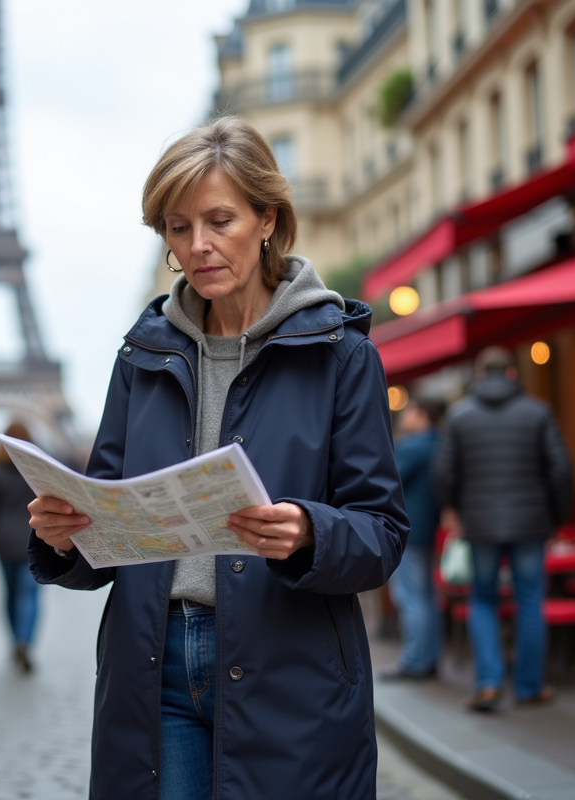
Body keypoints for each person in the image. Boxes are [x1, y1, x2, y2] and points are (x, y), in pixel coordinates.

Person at [27, 117, 408, 799]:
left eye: (219, 220)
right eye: (178, 228)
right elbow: (111, 526)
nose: (197, 246)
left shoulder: (344, 357)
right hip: (153, 669)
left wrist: (309, 533)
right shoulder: (139, 358)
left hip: (289, 669)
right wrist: (65, 537)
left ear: (268, 218)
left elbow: (382, 533)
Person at [433, 347, 573, 712]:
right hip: (531, 522)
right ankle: (528, 687)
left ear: (480, 376)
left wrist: (454, 508)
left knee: (483, 598)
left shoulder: (460, 416)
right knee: (529, 600)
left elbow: (444, 472)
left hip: (479, 523)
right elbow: (561, 470)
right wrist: (556, 517)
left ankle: (489, 684)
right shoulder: (538, 412)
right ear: (512, 374)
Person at [381, 396, 445, 681]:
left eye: (409, 410)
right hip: (431, 528)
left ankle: (413, 661)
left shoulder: (413, 446)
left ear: (422, 415)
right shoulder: (441, 444)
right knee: (428, 597)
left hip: (409, 529)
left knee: (411, 597)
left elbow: (387, 481)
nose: (404, 415)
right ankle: (429, 657)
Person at [0, 422, 40, 673]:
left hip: (4, 540)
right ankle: (25, 641)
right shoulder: (37, 468)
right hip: (35, 539)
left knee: (9, 595)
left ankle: (15, 639)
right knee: (30, 596)